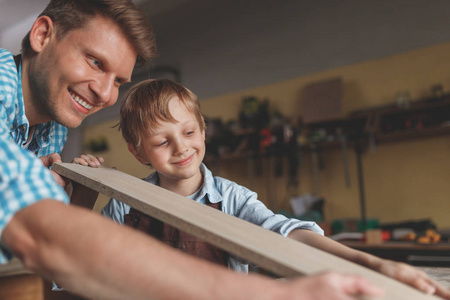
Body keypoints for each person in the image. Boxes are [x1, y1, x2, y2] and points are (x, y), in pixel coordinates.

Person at [0, 0, 387, 299]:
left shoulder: (51, 130)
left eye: (118, 79)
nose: (104, 93)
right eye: (94, 61)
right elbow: (45, 241)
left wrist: (364, 260)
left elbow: (281, 230)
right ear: (42, 35)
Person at [76, 78, 450, 299]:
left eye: (189, 132)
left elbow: (290, 235)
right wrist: (85, 190)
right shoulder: (125, 203)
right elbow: (88, 261)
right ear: (138, 152)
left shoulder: (232, 200)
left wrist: (373, 263)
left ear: (203, 131)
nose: (181, 148)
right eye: (162, 142)